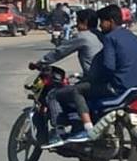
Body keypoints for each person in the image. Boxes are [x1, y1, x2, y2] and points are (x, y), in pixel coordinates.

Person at [61, 5, 137, 145]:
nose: (100, 26)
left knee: (77, 90)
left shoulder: (110, 38)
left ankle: (87, 129)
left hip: (118, 87)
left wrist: (94, 79)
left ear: (111, 21)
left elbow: (109, 66)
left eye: (102, 21)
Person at [40, 9, 104, 148]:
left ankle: (59, 132)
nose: (76, 25)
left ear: (84, 22)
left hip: (93, 83)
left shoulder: (84, 36)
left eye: (78, 22)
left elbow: (61, 51)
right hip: (103, 81)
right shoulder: (101, 35)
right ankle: (77, 124)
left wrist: (42, 62)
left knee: (53, 95)